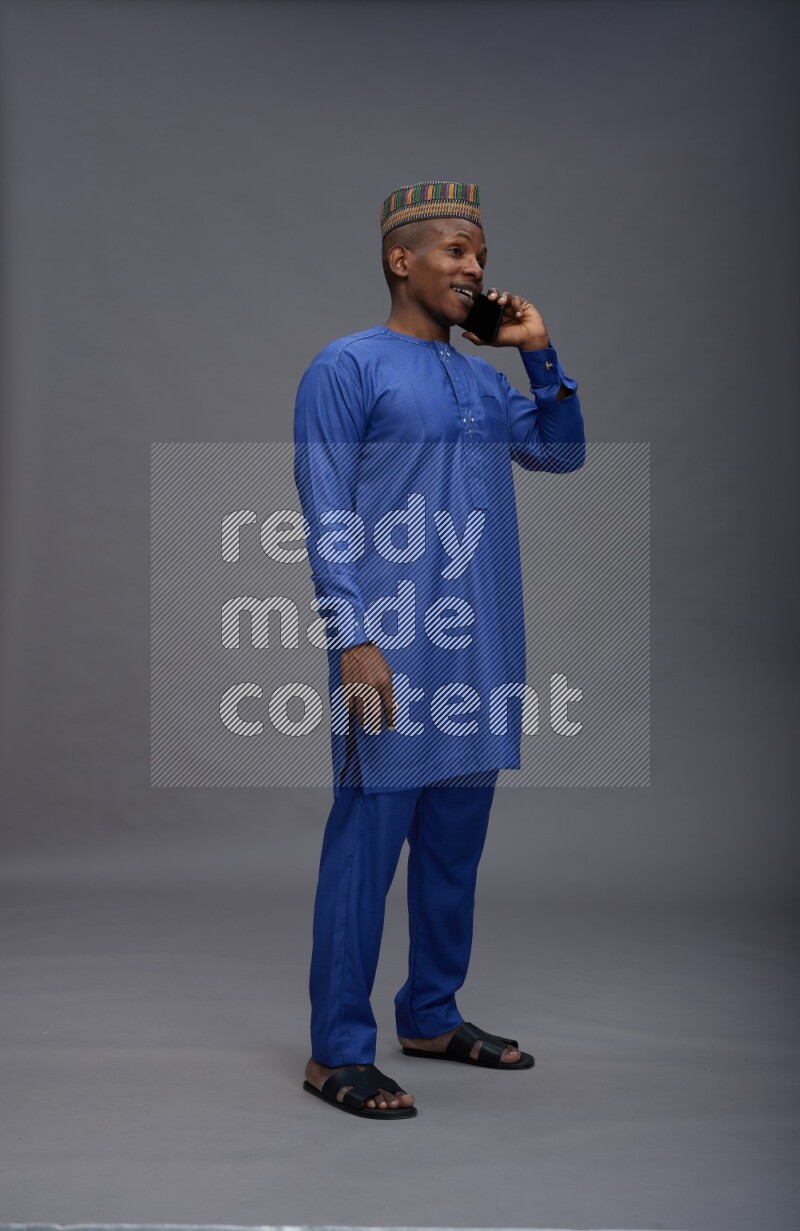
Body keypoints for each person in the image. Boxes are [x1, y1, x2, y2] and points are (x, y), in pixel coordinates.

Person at [293, 181, 585, 1119]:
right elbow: (326, 509)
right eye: (457, 251)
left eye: (482, 257)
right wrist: (353, 636)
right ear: (400, 259)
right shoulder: (346, 367)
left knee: (454, 852)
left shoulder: (481, 383)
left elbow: (562, 454)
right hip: (393, 652)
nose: (474, 269)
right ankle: (337, 1048)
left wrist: (538, 355)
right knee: (365, 852)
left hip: (481, 650)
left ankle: (429, 1012)